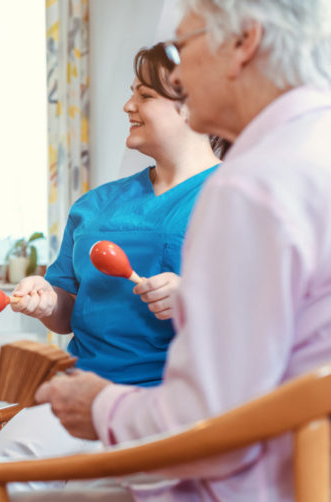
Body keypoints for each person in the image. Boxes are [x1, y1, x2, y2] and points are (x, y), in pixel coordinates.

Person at [28, 0, 331, 499]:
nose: (181, 73)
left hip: (254, 483)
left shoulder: (248, 185)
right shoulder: (308, 150)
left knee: (9, 482)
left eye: (182, 47)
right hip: (301, 471)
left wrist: (100, 405)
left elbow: (210, 432)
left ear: (243, 42)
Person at [0, 42, 223, 471]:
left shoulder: (233, 196)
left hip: (174, 400)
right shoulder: (94, 205)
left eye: (145, 96)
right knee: (9, 463)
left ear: (193, 105)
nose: (127, 105)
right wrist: (47, 301)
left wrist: (195, 296)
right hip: (82, 388)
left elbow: (262, 311)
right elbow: (66, 310)